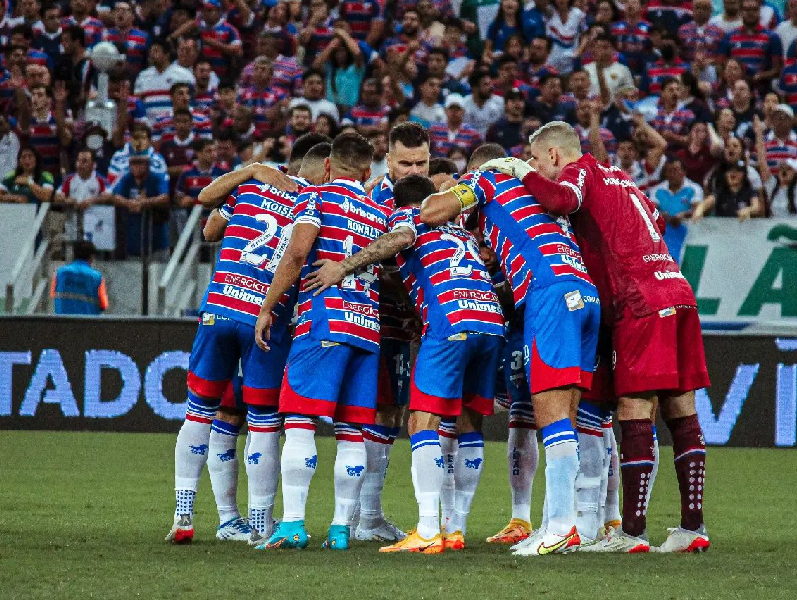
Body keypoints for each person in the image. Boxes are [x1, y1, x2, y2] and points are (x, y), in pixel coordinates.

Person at [481, 121, 710, 554]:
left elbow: (560, 199)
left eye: (534, 159)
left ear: (552, 155)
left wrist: (516, 170)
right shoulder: (621, 179)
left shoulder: (581, 171)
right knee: (682, 409)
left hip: (640, 299)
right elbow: (655, 218)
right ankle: (692, 528)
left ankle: (633, 533)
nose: (532, 168)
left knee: (633, 408)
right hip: (676, 288)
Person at [304, 173, 505, 553]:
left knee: (420, 422)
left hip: (452, 321)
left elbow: (398, 240)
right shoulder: (458, 231)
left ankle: (428, 529)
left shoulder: (410, 217)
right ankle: (455, 528)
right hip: (490, 321)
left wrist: (343, 266)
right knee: (467, 421)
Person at [420, 142, 600, 555]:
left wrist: (455, 188)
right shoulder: (536, 199)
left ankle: (559, 526)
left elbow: (432, 212)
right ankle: (561, 523)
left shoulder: (486, 179)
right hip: (584, 294)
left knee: (550, 417)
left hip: (549, 292)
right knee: (567, 418)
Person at [165, 140, 314, 545]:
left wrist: (249, 169)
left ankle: (183, 512)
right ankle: (261, 524)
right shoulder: (317, 201)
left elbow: (210, 224)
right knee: (264, 422)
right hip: (266, 318)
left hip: (220, 308)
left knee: (199, 413)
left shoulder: (252, 187)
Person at [253, 132, 389, 552]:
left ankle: (292, 524)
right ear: (368, 172)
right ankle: (339, 529)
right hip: (366, 329)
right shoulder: (378, 213)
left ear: (328, 166)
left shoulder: (316, 198)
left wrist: (267, 307)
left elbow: (296, 254)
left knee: (298, 420)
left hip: (323, 322)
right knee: (352, 431)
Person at [353, 123, 431, 543]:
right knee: (377, 413)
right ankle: (362, 517)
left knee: (391, 414)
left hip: (405, 326)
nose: (413, 170)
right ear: (388, 161)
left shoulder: (430, 199)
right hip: (375, 321)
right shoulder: (375, 201)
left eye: (421, 162)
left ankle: (365, 514)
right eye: (405, 162)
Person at [649, 156, 702, 262]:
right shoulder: (657, 190)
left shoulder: (694, 189)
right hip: (664, 236)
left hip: (687, 235)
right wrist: (661, 215)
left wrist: (683, 215)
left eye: (676, 170)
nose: (673, 174)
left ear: (684, 172)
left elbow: (697, 210)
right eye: (669, 171)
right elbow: (651, 211)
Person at [51, 240, 108, 315]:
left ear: (74, 254)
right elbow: (104, 304)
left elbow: (53, 294)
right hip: (88, 323)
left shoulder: (60, 273)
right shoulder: (97, 277)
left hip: (62, 323)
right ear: (91, 257)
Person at [691, 161, 762, 221]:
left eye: (737, 171)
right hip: (723, 232)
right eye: (730, 171)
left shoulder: (750, 191)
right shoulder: (720, 191)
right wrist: (700, 209)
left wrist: (748, 210)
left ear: (744, 175)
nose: (733, 174)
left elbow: (756, 207)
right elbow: (707, 202)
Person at [429, 95, 483, 159]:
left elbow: (477, 157)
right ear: (445, 110)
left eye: (458, 108)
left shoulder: (473, 134)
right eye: (451, 108)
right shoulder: (434, 131)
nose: (454, 112)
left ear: (463, 111)